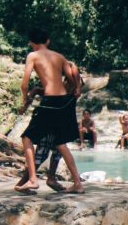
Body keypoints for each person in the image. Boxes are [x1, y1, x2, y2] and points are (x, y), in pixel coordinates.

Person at [16, 28, 84, 194]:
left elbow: (24, 84)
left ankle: (33, 179)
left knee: (27, 137)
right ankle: (77, 183)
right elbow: (71, 77)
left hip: (50, 102)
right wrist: (76, 89)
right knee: (60, 143)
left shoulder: (33, 56)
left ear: (32, 43)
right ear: (48, 41)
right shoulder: (59, 57)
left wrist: (25, 101)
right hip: (64, 102)